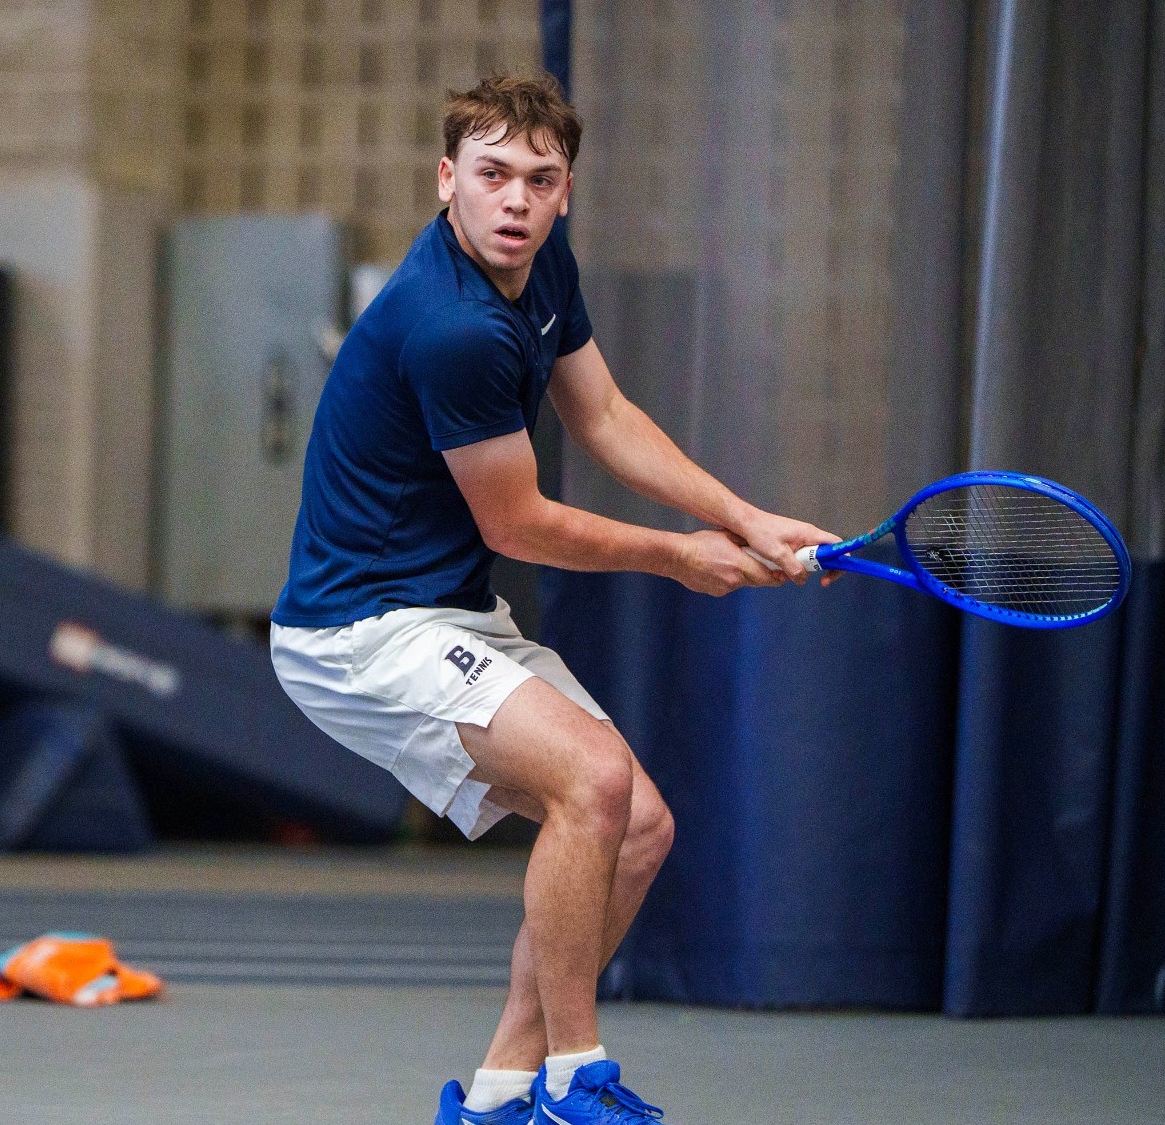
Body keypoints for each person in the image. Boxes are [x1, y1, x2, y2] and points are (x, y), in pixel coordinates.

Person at [268, 73, 838, 1125]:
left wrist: (744, 517)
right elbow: (518, 526)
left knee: (636, 825)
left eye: (538, 179)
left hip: (443, 610)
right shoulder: (450, 326)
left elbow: (607, 414)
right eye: (489, 175)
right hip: (355, 631)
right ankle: (575, 1081)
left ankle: (492, 1096)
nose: (513, 201)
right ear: (446, 182)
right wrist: (680, 557)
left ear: (564, 192)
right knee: (590, 779)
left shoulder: (536, 270)